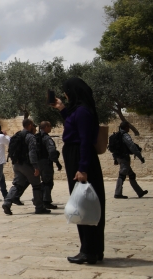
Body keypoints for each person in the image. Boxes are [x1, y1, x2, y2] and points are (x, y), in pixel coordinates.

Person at [53, 78, 106, 265]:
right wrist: (62, 109)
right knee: (83, 201)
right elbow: (74, 125)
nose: (65, 95)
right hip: (76, 155)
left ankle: (89, 251)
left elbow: (84, 140)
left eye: (66, 92)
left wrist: (82, 168)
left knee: (83, 203)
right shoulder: (80, 110)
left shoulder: (82, 112)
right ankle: (93, 249)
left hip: (79, 157)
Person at [1, 119, 49, 215]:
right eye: (34, 127)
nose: (35, 129)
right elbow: (32, 152)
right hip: (27, 165)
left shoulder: (17, 135)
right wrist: (35, 166)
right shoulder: (30, 137)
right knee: (36, 185)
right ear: (30, 125)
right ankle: (39, 207)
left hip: (17, 165)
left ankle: (7, 202)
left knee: (17, 184)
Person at [111, 121, 147, 199]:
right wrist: (140, 157)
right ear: (126, 127)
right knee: (122, 175)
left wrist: (115, 159)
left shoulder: (118, 135)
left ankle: (140, 192)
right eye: (128, 127)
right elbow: (132, 147)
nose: (129, 129)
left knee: (131, 175)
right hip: (124, 158)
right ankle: (117, 193)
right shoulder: (125, 136)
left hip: (119, 157)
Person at [36, 121, 63, 209]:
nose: (51, 128)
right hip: (46, 163)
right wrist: (57, 162)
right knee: (48, 182)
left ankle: (41, 199)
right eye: (50, 126)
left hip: (38, 162)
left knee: (43, 182)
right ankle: (46, 202)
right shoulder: (46, 138)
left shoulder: (36, 137)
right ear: (46, 127)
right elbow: (51, 151)